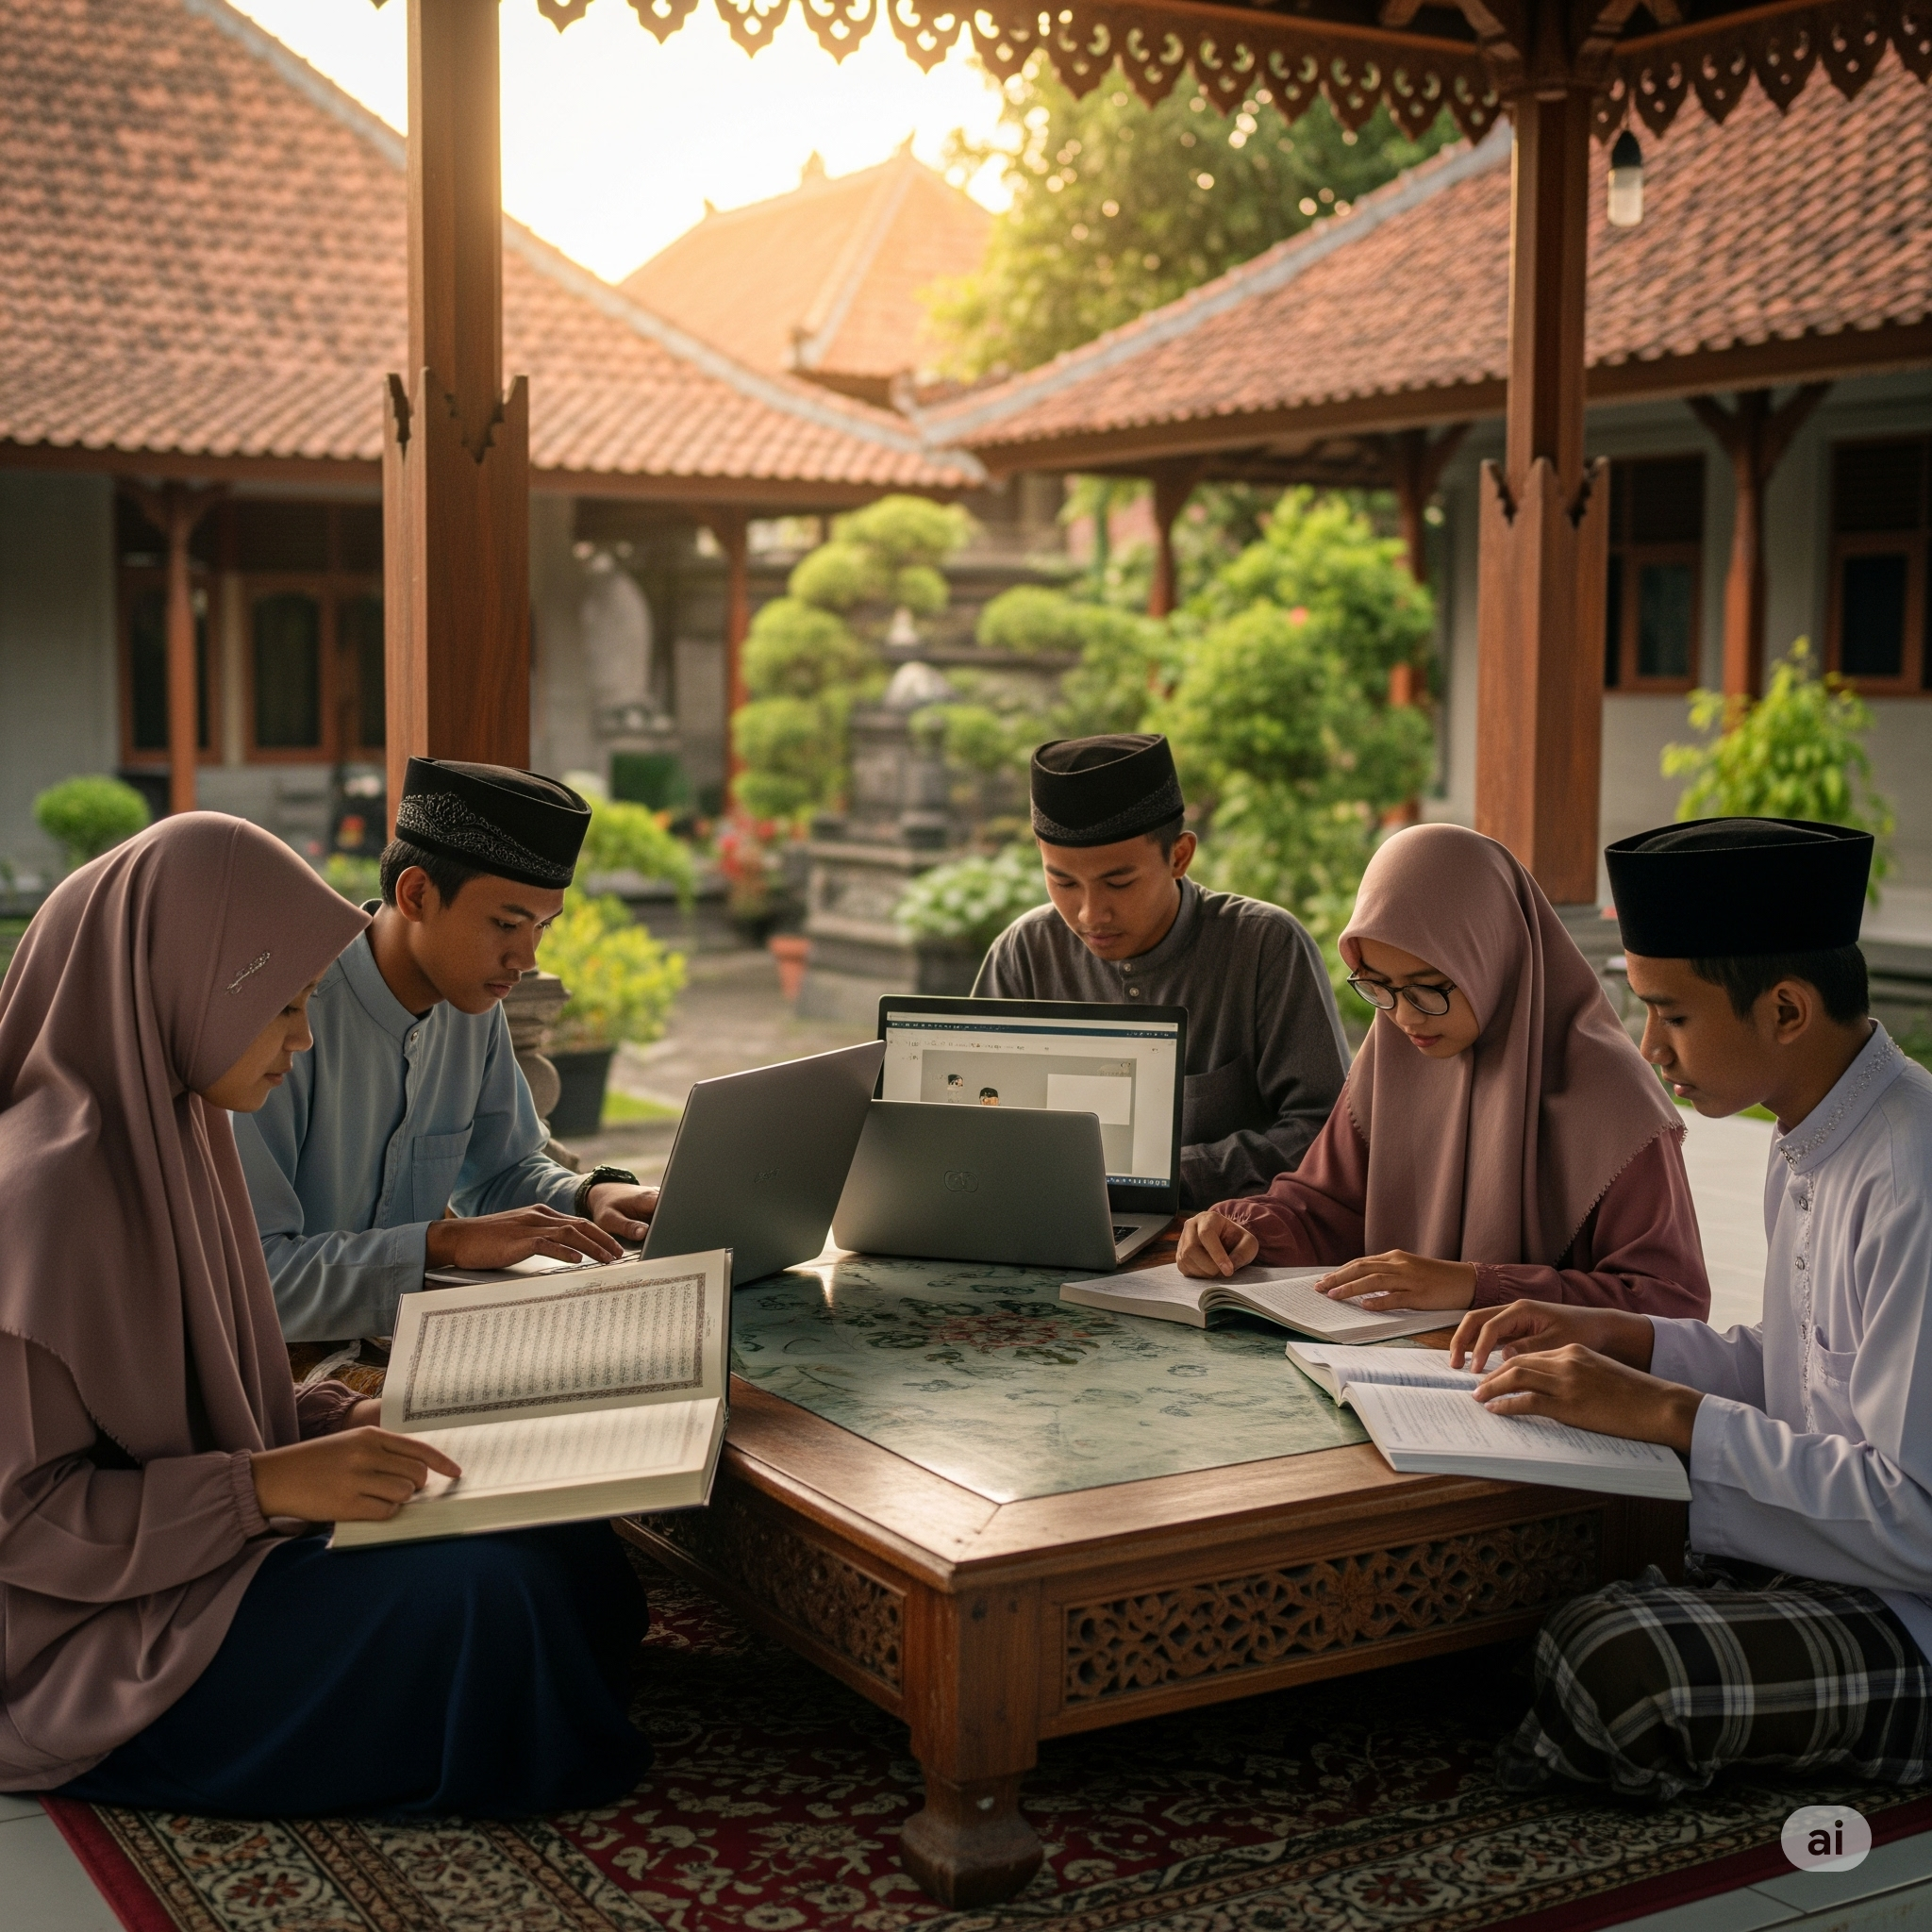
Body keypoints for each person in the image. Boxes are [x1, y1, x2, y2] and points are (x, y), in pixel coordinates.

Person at [0, 813, 649, 1813]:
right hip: (79, 1628)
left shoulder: (180, 1132)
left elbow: (202, 1403)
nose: (303, 1036)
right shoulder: (41, 1201)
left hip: (202, 1539)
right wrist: (262, 1490)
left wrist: (336, 1423)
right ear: (178, 983)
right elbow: (25, 1527)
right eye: (283, 1005)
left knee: (563, 1548)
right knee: (486, 1598)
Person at [1454, 817, 1932, 1800]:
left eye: (1668, 1014)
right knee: (1526, 1595)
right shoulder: (1812, 1131)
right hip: (1828, 1564)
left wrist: (1666, 1414)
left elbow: (1917, 1516)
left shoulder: (1910, 1170)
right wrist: (1620, 1337)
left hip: (1908, 1611)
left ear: (1786, 1009)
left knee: (1610, 1659)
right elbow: (1806, 1371)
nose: (1647, 1047)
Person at [1176, 824, 1710, 1321]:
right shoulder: (1395, 1055)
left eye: (1429, 986)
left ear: (1493, 955)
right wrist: (1240, 1229)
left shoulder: (1614, 1098)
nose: (1404, 1016)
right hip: (1393, 1371)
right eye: (1377, 986)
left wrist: (1479, 1286)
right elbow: (1326, 1210)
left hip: (1544, 1394)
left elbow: (1669, 1304)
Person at [235, 758, 659, 1343]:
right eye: (507, 924)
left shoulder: (470, 1010)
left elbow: (503, 1168)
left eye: (542, 927)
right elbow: (253, 1279)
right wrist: (444, 1242)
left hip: (411, 1348)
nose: (526, 958)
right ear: (415, 894)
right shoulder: (286, 1021)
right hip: (279, 1378)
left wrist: (591, 1194)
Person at [975, 733, 1347, 1208]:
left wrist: (1172, 1177)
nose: (1090, 913)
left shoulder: (1264, 946)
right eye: (1062, 881)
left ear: (1179, 856)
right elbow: (976, 1123)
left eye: (1119, 882)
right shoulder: (1024, 954)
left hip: (1222, 1241)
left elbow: (1324, 1128)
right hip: (1047, 1221)